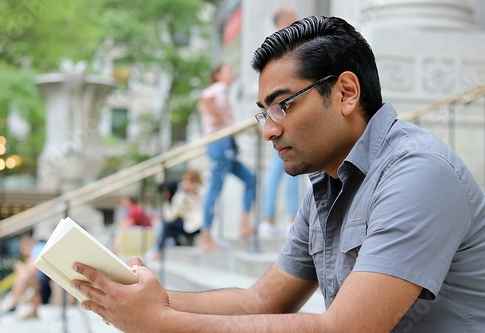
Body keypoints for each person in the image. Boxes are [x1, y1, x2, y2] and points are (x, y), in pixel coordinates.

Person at [71, 16, 485, 332]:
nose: (269, 130)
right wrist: (154, 299)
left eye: (283, 105)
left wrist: (163, 323)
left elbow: (345, 328)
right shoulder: (327, 184)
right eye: (263, 113)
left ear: (346, 92)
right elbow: (262, 299)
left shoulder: (418, 173)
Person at [196, 63, 256, 252]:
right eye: (227, 70)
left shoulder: (224, 91)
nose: (231, 72)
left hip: (225, 143)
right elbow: (204, 100)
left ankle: (244, 223)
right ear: (218, 74)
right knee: (215, 189)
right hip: (219, 143)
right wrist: (218, 121)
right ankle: (206, 237)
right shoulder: (218, 88)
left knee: (250, 178)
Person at [259, 5, 303, 236]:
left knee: (279, 167)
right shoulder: (286, 42)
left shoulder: (271, 44)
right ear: (285, 18)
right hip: (285, 107)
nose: (298, 18)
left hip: (277, 108)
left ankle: (270, 220)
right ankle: (290, 218)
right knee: (288, 163)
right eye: (294, 15)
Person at [152, 169, 204, 260]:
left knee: (167, 225)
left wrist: (166, 204)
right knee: (167, 225)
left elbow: (171, 215)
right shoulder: (185, 195)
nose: (184, 184)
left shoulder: (186, 196)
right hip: (193, 225)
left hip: (195, 226)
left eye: (187, 181)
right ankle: (160, 248)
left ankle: (158, 251)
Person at [7, 235, 50, 319]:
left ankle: (14, 306)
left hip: (45, 285)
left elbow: (31, 270)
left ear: (27, 246)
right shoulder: (39, 248)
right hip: (44, 282)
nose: (23, 253)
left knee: (22, 277)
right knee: (23, 276)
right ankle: (15, 305)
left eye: (22, 250)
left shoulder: (37, 248)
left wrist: (20, 267)